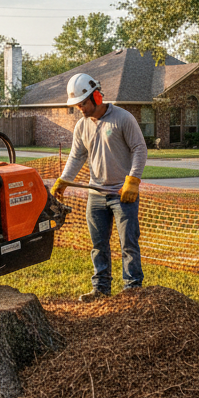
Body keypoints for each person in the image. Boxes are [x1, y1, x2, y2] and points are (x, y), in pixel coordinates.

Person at [52, 73, 148, 301]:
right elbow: (76, 156)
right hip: (96, 194)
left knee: (129, 244)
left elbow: (139, 149)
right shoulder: (81, 126)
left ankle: (132, 290)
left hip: (122, 194)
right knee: (98, 245)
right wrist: (64, 180)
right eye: (77, 105)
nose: (80, 109)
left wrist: (132, 181)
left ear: (96, 95)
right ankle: (101, 289)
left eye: (83, 103)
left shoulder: (123, 118)